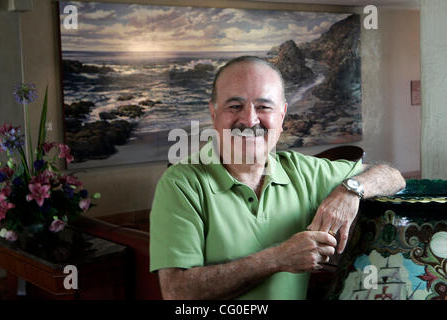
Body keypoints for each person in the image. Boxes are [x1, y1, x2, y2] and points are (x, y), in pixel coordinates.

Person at [149, 56, 406, 300]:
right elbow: (177, 292)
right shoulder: (181, 183)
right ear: (214, 114)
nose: (249, 120)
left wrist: (351, 190)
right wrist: (278, 259)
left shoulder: (302, 171)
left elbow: (393, 177)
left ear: (282, 116)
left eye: (263, 107)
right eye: (235, 106)